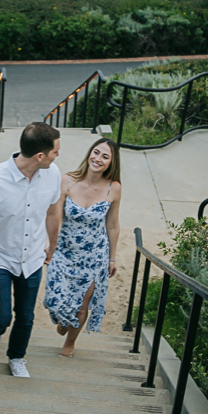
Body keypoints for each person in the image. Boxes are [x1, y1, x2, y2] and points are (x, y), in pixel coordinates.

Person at [0, 122, 62, 378]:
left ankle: (17, 357)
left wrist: (51, 246)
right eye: (55, 152)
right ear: (40, 156)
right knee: (1, 317)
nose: (57, 157)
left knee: (26, 315)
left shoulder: (52, 174)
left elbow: (53, 211)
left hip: (32, 258)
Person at [43, 138, 121, 357]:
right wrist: (49, 244)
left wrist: (112, 258)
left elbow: (113, 225)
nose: (98, 159)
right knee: (55, 300)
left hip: (94, 256)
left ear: (111, 163)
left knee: (82, 304)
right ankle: (63, 321)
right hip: (63, 251)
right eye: (96, 152)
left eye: (105, 156)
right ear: (89, 153)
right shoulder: (68, 180)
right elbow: (55, 214)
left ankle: (70, 343)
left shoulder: (113, 189)